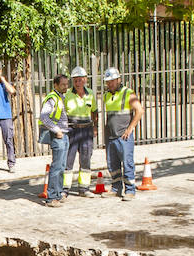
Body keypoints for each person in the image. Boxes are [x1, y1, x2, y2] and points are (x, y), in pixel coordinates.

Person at [101, 67, 145, 199]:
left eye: (112, 81)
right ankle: (116, 188)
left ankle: (130, 190)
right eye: (108, 82)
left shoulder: (128, 93)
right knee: (112, 163)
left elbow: (140, 110)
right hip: (110, 135)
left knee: (127, 162)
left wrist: (130, 128)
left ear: (118, 80)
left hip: (123, 135)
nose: (110, 84)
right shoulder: (106, 95)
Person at [62, 66, 96, 196]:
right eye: (75, 80)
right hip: (72, 130)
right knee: (68, 160)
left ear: (85, 80)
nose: (78, 83)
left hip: (86, 131)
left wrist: (95, 127)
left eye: (80, 80)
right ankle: (65, 189)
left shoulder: (91, 94)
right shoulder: (67, 95)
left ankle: (84, 188)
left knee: (86, 159)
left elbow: (94, 111)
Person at [37, 73, 69, 207]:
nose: (66, 87)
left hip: (64, 135)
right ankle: (51, 197)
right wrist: (57, 130)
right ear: (55, 85)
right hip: (58, 137)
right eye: (63, 85)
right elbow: (44, 117)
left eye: (67, 84)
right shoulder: (52, 99)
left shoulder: (61, 97)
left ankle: (58, 193)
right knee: (56, 167)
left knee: (61, 167)